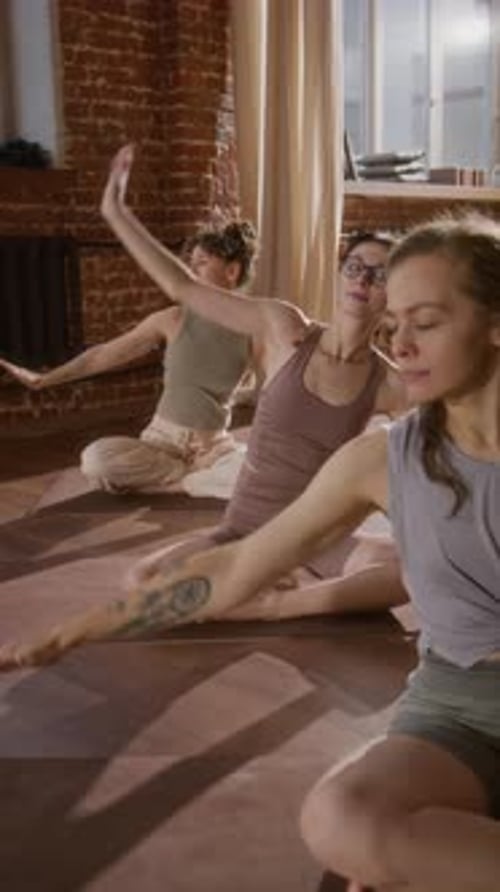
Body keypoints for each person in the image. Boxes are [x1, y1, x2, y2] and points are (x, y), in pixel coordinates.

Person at [1, 212, 499, 891]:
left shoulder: (384, 398)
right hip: (453, 704)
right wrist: (79, 629)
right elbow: (237, 566)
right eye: (396, 323)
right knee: (340, 819)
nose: (402, 343)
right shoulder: (379, 459)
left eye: (428, 321)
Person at [100, 144, 409, 620]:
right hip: (245, 531)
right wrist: (116, 213)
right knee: (142, 583)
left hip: (318, 538)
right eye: (354, 267)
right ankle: (264, 586)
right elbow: (184, 287)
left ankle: (281, 605)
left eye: (380, 275)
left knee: (411, 571)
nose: (363, 280)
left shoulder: (389, 382)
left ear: (394, 294)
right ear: (340, 275)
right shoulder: (285, 329)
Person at [0, 220, 258, 499]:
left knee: (261, 474)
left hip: (214, 448)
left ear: (232, 271)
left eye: (202, 263)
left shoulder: (253, 330)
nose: (190, 272)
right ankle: (191, 478)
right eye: (190, 264)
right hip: (162, 443)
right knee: (95, 460)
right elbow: (101, 355)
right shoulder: (173, 319)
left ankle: (175, 482)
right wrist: (43, 380)